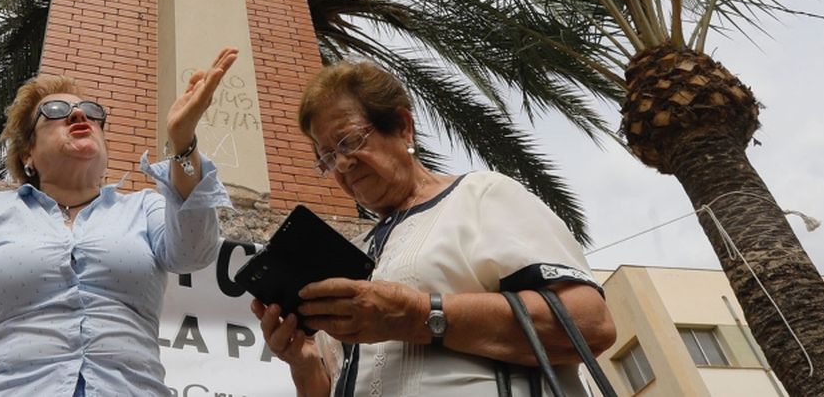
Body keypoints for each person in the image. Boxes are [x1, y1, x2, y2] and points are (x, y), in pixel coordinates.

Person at [0, 48, 238, 396]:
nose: (78, 116)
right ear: (28, 155)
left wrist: (183, 143)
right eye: (55, 111)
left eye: (91, 112)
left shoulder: (143, 208)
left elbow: (194, 253)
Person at [252, 60, 615, 396]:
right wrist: (303, 364)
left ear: (403, 126)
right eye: (327, 157)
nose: (342, 164)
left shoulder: (481, 195)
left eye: (349, 141)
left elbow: (589, 324)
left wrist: (418, 316)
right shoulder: (355, 252)